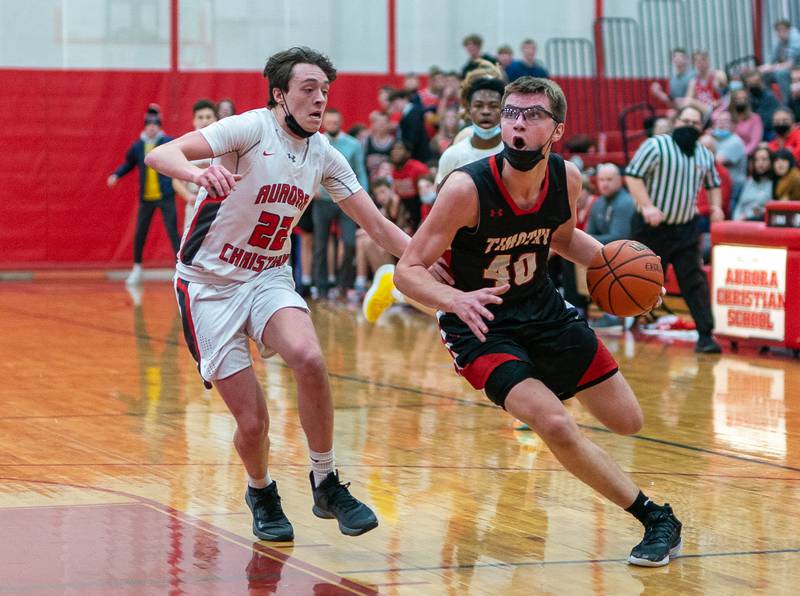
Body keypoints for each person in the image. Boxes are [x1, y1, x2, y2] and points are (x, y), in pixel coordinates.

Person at [394, 76, 683, 567]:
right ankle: (655, 517)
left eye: (532, 115)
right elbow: (407, 270)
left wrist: (627, 271)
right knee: (554, 422)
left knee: (628, 421)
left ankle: (544, 379)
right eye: (512, 114)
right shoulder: (466, 187)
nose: (518, 123)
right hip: (483, 326)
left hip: (545, 310)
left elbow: (564, 238)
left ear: (557, 129)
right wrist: (454, 299)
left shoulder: (567, 178)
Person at [144, 46, 416, 542]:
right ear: (280, 96)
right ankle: (261, 489)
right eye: (308, 90)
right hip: (208, 287)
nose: (319, 100)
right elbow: (160, 153)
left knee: (310, 357)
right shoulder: (249, 129)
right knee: (253, 423)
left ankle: (326, 482)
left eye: (324, 91)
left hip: (267, 277)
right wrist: (197, 171)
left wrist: (432, 259)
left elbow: (376, 224)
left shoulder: (325, 155)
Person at [362, 65, 506, 323]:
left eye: (494, 103)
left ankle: (395, 291)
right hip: (467, 235)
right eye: (480, 103)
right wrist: (439, 245)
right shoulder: (462, 145)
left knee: (488, 310)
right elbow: (443, 203)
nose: (486, 110)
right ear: (469, 106)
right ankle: (396, 290)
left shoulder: (514, 142)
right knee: (462, 310)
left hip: (503, 235)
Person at [625, 105, 724, 353]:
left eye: (695, 123)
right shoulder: (656, 145)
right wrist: (647, 206)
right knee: (639, 277)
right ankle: (626, 320)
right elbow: (633, 175)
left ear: (701, 128)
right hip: (651, 227)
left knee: (694, 281)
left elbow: (714, 183)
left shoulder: (704, 154)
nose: (689, 126)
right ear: (675, 121)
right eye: (685, 120)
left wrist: (717, 207)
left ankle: (705, 335)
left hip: (685, 229)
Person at [107, 106, 182, 285]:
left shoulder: (167, 142)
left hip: (165, 196)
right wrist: (116, 174)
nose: (152, 127)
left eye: (155, 123)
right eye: (149, 123)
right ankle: (137, 268)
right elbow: (128, 164)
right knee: (140, 232)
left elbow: (181, 157)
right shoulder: (138, 146)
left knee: (173, 232)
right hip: (146, 198)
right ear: (145, 125)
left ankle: (181, 269)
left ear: (160, 125)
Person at [312, 108, 368, 298]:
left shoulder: (353, 145)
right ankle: (321, 288)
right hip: (322, 201)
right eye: (329, 123)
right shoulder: (315, 141)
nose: (332, 126)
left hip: (346, 200)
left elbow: (360, 171)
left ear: (341, 122)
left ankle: (344, 284)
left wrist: (364, 198)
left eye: (336, 123)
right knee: (320, 245)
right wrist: (311, 188)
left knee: (350, 242)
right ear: (323, 123)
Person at [585, 163, 637, 329]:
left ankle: (613, 314)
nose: (605, 183)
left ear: (619, 180)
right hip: (607, 252)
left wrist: (587, 239)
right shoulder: (598, 203)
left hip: (628, 255)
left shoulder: (625, 202)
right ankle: (578, 309)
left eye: (609, 179)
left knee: (610, 260)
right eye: (601, 180)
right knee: (567, 258)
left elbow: (619, 237)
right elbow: (587, 234)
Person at [173, 99, 218, 234]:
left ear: (216, 119)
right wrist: (189, 197)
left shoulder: (226, 144)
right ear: (194, 120)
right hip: (195, 202)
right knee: (191, 246)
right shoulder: (184, 146)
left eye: (208, 117)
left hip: (219, 204)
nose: (204, 121)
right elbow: (176, 180)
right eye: (200, 117)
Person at [733, 147, 774, 221]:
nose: (760, 163)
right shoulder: (749, 181)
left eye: (764, 159)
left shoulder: (774, 183)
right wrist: (736, 219)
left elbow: (770, 209)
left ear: (771, 162)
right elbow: (740, 205)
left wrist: (747, 216)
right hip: (740, 222)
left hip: (758, 223)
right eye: (756, 160)